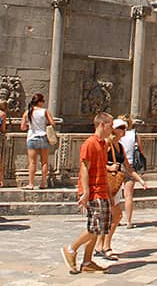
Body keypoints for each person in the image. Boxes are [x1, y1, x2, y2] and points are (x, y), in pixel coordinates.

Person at [61, 112, 115, 274]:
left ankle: (87, 261)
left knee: (98, 228)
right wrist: (85, 191)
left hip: (102, 189)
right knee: (95, 228)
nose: (111, 129)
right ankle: (71, 248)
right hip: (93, 191)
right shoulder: (90, 144)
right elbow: (84, 168)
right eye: (110, 126)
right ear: (102, 125)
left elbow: (102, 167)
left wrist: (109, 193)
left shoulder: (102, 144)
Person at [97, 118, 147, 260]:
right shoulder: (107, 144)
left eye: (125, 128)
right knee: (114, 216)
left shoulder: (120, 146)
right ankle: (104, 246)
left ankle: (101, 246)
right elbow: (97, 162)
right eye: (122, 128)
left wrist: (141, 180)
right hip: (106, 184)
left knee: (113, 217)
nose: (125, 131)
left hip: (115, 185)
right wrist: (108, 167)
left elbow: (128, 167)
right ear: (114, 130)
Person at [21, 93, 53, 189]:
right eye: (43, 101)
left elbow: (22, 127)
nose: (44, 103)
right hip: (43, 136)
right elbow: (52, 123)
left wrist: (29, 125)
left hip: (32, 137)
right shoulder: (45, 111)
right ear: (39, 102)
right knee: (44, 162)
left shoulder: (27, 112)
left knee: (32, 162)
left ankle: (31, 183)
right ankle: (43, 183)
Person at [117, 117, 144, 228]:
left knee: (115, 195)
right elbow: (141, 150)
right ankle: (129, 221)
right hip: (131, 165)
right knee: (128, 195)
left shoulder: (116, 135)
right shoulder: (135, 135)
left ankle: (116, 219)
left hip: (118, 165)